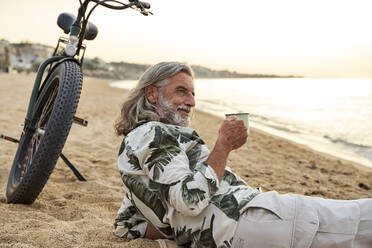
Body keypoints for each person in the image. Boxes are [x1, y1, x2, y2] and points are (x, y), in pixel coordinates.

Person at [113, 62, 372, 248]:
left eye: (193, 94)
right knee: (362, 219)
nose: (191, 101)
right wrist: (223, 145)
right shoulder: (153, 134)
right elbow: (190, 200)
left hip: (242, 230)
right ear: (151, 93)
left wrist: (188, 233)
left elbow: (125, 225)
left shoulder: (138, 148)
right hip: (253, 219)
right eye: (182, 90)